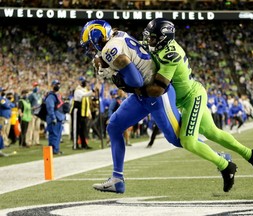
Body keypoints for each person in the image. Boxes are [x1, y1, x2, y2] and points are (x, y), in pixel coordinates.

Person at [80, 19, 231, 194]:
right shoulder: (117, 37)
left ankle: (221, 158)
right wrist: (109, 67)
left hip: (157, 94)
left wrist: (113, 76)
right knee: (114, 126)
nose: (92, 50)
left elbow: (134, 80)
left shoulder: (110, 50)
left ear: (100, 39)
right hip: (142, 95)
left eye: (92, 45)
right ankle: (117, 179)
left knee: (178, 139)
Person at [140, 18, 253, 192]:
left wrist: (135, 89)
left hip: (191, 97)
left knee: (188, 141)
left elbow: (159, 88)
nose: (148, 41)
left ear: (164, 39)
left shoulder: (171, 53)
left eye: (152, 38)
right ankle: (251, 155)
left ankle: (226, 166)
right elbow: (133, 46)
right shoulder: (158, 46)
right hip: (183, 99)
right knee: (213, 133)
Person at [70, 76, 94, 150]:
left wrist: (88, 111)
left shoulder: (85, 89)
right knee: (76, 128)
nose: (85, 83)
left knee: (83, 128)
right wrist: (92, 91)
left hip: (83, 111)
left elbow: (87, 99)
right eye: (83, 82)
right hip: (77, 109)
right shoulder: (78, 90)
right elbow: (84, 95)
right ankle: (75, 144)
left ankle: (84, 144)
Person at [45, 80, 65, 155]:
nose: (58, 86)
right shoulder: (51, 96)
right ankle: (53, 150)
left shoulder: (57, 95)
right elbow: (50, 108)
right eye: (56, 84)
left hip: (58, 117)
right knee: (54, 135)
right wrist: (53, 118)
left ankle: (56, 149)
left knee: (57, 135)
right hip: (54, 118)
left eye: (59, 84)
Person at [27, 82, 42, 146]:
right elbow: (27, 102)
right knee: (31, 128)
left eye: (38, 86)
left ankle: (36, 141)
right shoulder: (31, 95)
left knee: (37, 128)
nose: (37, 87)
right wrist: (31, 107)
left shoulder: (40, 95)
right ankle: (28, 141)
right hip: (32, 113)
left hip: (38, 113)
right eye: (35, 86)